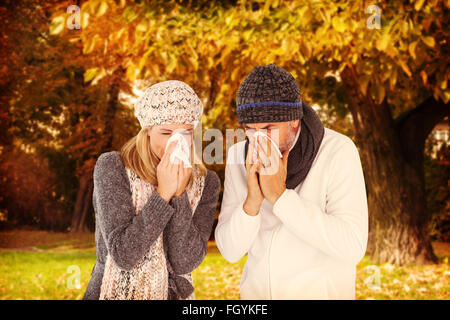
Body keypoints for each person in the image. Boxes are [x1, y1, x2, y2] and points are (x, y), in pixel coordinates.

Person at [215, 64, 368, 299]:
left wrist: (280, 197)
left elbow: (352, 246)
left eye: (268, 128)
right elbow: (230, 251)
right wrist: (252, 204)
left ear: (294, 120)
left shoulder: (338, 150)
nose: (258, 140)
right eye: (249, 129)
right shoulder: (240, 155)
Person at [83, 80, 220, 300]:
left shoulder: (207, 183)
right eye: (166, 133)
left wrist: (179, 195)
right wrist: (162, 194)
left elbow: (184, 262)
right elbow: (123, 255)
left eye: (184, 133)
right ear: (147, 131)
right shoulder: (112, 167)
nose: (175, 144)